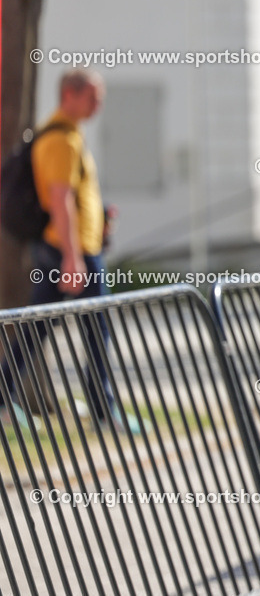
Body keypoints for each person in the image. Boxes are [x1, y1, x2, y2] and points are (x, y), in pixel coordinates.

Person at [0, 69, 121, 428]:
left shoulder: (70, 135)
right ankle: (102, 409)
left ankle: (99, 406)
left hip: (74, 250)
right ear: (70, 94)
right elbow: (60, 200)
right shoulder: (59, 141)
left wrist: (98, 220)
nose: (99, 105)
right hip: (68, 253)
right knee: (85, 329)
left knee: (47, 328)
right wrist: (72, 257)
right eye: (93, 97)